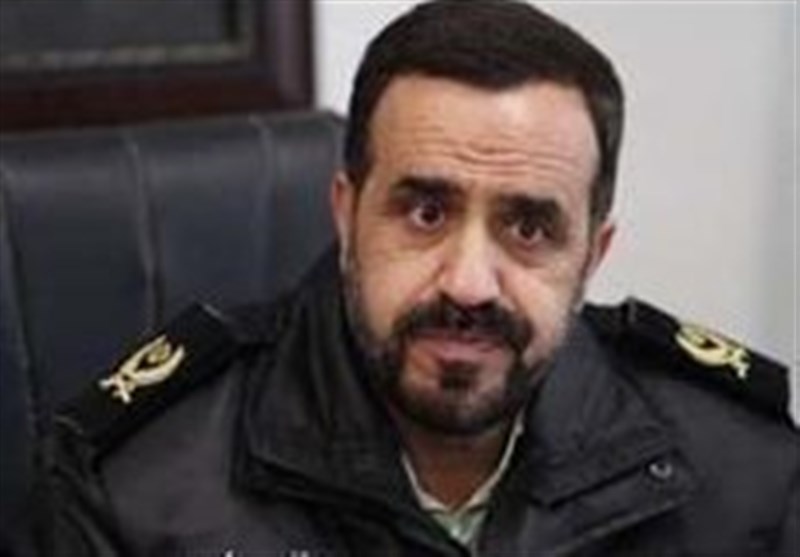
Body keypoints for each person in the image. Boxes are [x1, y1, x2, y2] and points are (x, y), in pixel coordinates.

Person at [22, 1, 798, 555]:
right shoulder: (133, 488)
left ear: (592, 255)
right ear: (345, 212)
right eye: (426, 212)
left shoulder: (748, 473)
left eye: (529, 228)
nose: (469, 284)